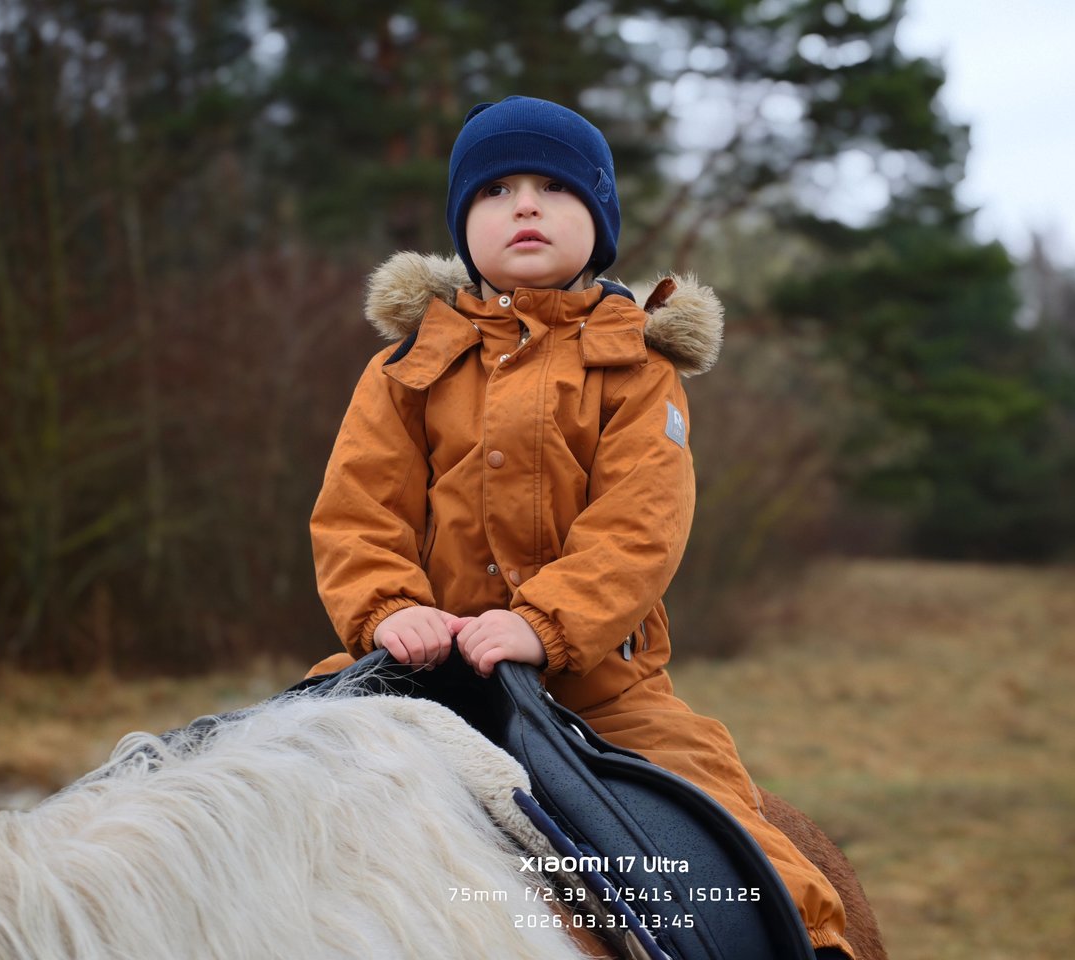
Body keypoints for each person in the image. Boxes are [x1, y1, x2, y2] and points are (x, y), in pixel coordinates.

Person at [307, 95, 853, 958]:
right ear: (463, 226)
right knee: (267, 787)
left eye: (554, 187)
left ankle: (815, 945)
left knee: (732, 846)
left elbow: (641, 526)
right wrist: (385, 609)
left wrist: (541, 625)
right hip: (416, 664)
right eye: (495, 192)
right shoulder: (404, 370)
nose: (523, 205)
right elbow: (357, 510)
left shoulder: (636, 367)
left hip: (605, 686)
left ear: (598, 224)